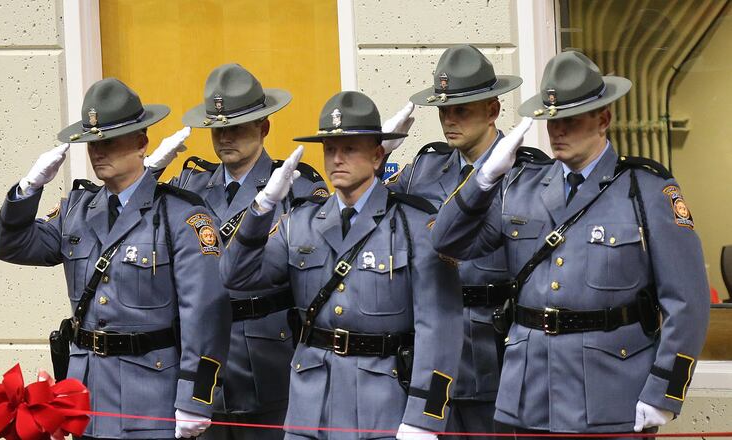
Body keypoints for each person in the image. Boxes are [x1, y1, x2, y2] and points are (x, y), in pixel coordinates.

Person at [430, 51, 710, 437]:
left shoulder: (645, 191)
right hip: (527, 397)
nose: (558, 131)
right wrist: (481, 181)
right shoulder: (520, 188)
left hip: (611, 395)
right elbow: (446, 243)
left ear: (603, 119)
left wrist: (666, 389)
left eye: (571, 120)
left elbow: (688, 303)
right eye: (552, 120)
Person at [0, 78, 231, 439]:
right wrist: (28, 189)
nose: (99, 151)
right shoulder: (77, 209)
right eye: (93, 143)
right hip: (86, 396)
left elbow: (206, 315)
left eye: (111, 140)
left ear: (141, 141)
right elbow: (12, 245)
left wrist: (195, 398)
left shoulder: (179, 215)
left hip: (151, 398)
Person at [220, 91, 463, 440]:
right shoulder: (299, 222)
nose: (337, 159)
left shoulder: (415, 224)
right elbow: (236, 277)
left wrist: (426, 415)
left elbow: (440, 328)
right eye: (330, 149)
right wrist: (261, 210)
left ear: (378, 155)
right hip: (310, 406)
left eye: (349, 148)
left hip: (381, 406)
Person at [148, 63, 328, 440]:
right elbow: (135, 215)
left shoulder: (295, 184)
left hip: (264, 349)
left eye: (237, 127)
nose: (225, 137)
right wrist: (148, 171)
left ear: (264, 127)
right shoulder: (191, 182)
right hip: (197, 352)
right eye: (218, 128)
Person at [386, 44, 550, 439]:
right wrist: (375, 155)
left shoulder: (531, 174)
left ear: (492, 110)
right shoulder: (424, 170)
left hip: (499, 348)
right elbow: (367, 217)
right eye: (444, 110)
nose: (449, 120)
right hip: (427, 349)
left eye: (462, 109)